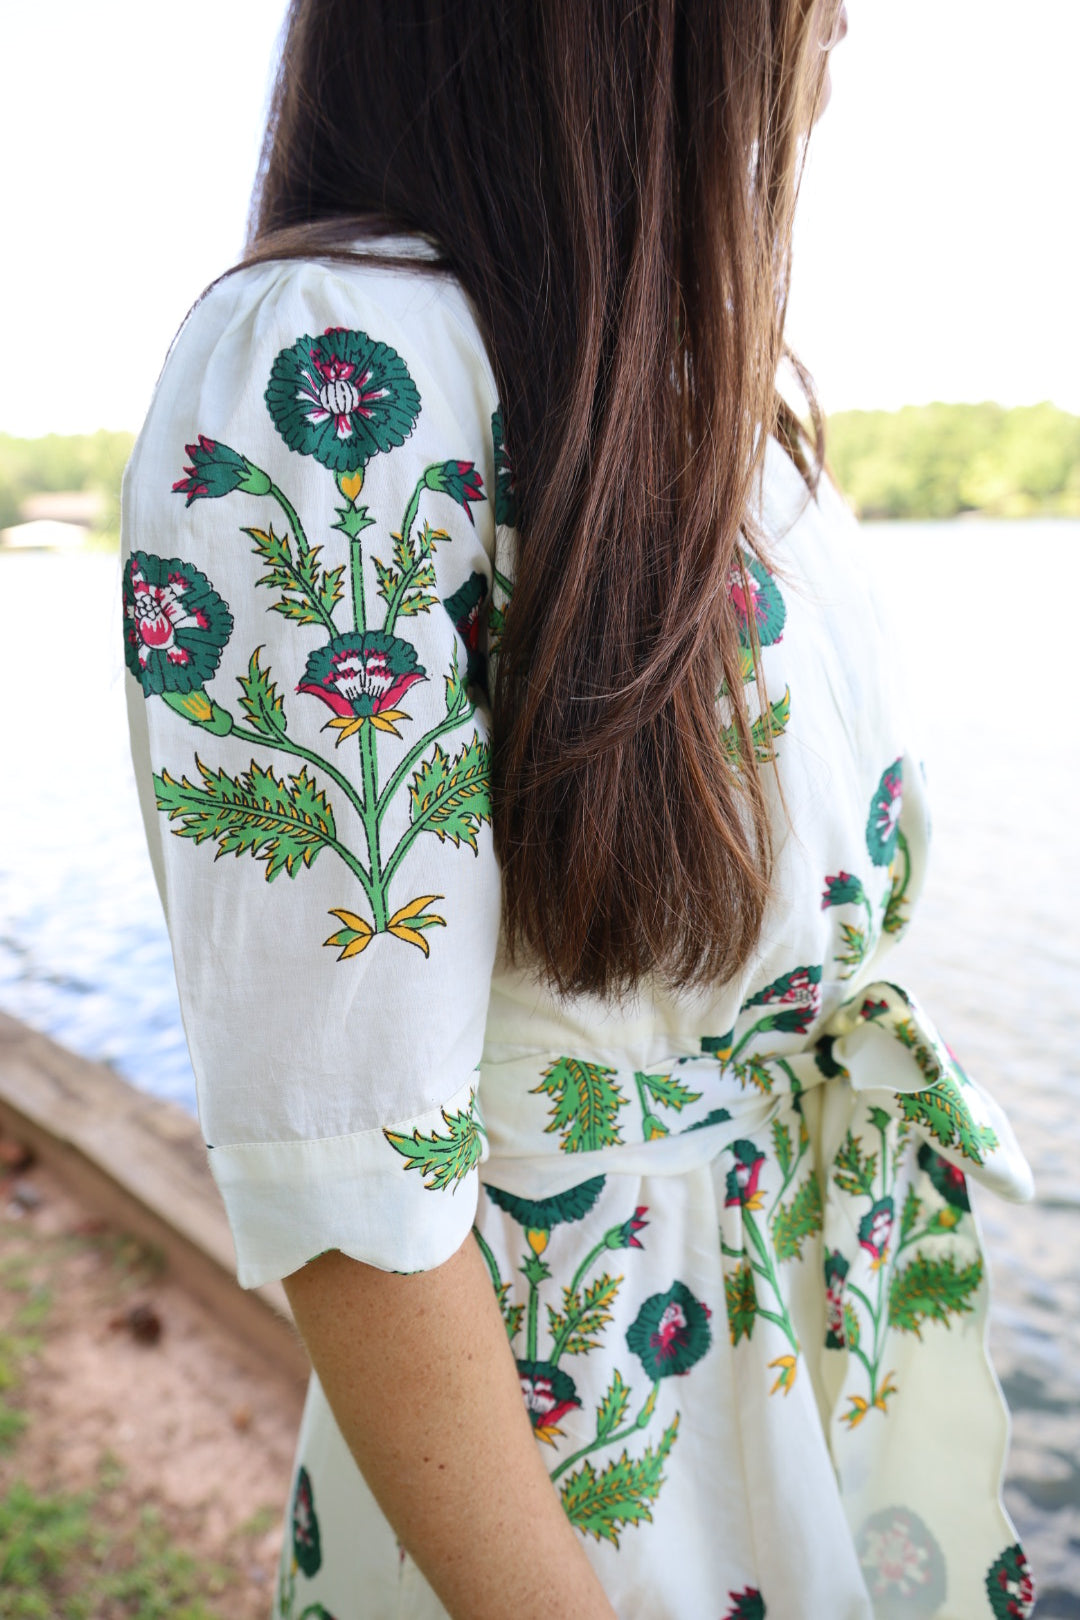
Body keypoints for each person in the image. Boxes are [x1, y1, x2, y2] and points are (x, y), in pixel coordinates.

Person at [120, 3, 1037, 1616]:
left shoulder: (708, 402)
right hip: (578, 1471)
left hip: (799, 1365)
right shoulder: (344, 375)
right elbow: (353, 1169)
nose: (845, 16)